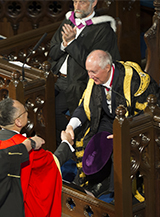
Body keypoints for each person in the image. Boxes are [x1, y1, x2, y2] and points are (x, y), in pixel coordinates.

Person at [65, 50, 160, 197]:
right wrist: (70, 126)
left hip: (134, 124)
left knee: (120, 146)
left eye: (93, 71)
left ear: (107, 67)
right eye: (88, 71)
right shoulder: (94, 80)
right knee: (91, 138)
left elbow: (149, 114)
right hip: (109, 121)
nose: (90, 76)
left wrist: (123, 132)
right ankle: (97, 182)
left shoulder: (135, 81)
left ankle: (118, 193)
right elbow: (84, 106)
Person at [0, 98, 74, 217]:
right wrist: (66, 143)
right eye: (25, 112)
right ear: (18, 122)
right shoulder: (25, 150)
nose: (27, 113)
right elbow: (52, 163)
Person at [49, 0, 121, 144]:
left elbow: (92, 65)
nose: (77, 6)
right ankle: (62, 142)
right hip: (56, 78)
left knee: (53, 111)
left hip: (80, 83)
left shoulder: (103, 30)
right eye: (75, 1)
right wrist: (64, 44)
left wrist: (72, 43)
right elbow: (52, 52)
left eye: (82, 2)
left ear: (94, 2)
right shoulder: (68, 22)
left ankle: (76, 141)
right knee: (41, 106)